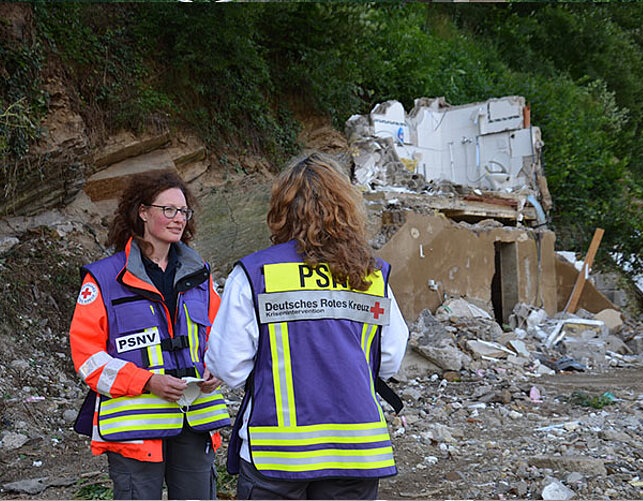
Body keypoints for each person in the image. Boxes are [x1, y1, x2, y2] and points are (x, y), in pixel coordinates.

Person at [206, 151, 409, 500]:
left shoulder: (257, 273)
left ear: (280, 210)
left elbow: (228, 364)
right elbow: (388, 360)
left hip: (277, 452)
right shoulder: (371, 274)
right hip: (357, 450)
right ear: (347, 208)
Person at [69, 170, 231, 500]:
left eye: (183, 211)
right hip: (135, 430)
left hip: (195, 419)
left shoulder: (199, 273)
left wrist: (218, 367)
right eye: (168, 209)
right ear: (143, 211)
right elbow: (88, 357)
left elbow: (220, 334)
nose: (178, 219)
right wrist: (145, 381)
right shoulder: (104, 278)